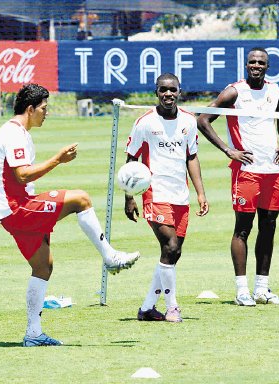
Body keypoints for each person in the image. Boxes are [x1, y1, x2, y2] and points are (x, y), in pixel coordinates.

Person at [0, 83, 140, 347]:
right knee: (81, 199)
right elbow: (22, 175)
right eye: (44, 108)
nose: (46, 113)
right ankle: (110, 257)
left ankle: (33, 334)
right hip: (18, 208)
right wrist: (58, 159)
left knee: (43, 266)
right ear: (30, 109)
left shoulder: (6, 131)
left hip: (8, 212)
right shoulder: (15, 134)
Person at [196, 47, 279, 307]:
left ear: (267, 67)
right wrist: (229, 150)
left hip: (272, 169)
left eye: (261, 62)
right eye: (252, 62)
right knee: (243, 228)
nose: (256, 66)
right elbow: (202, 120)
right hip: (247, 171)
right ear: (246, 65)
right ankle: (242, 291)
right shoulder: (234, 92)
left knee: (269, 226)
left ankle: (262, 288)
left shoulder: (274, 90)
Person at [124, 73, 209, 322]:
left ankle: (147, 308)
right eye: (163, 90)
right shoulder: (145, 123)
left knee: (173, 254)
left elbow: (191, 157)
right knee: (170, 247)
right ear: (156, 92)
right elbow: (131, 159)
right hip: (154, 194)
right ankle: (172, 307)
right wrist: (129, 197)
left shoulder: (189, 121)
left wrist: (200, 193)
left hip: (180, 196)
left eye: (172, 90)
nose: (168, 94)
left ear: (179, 91)